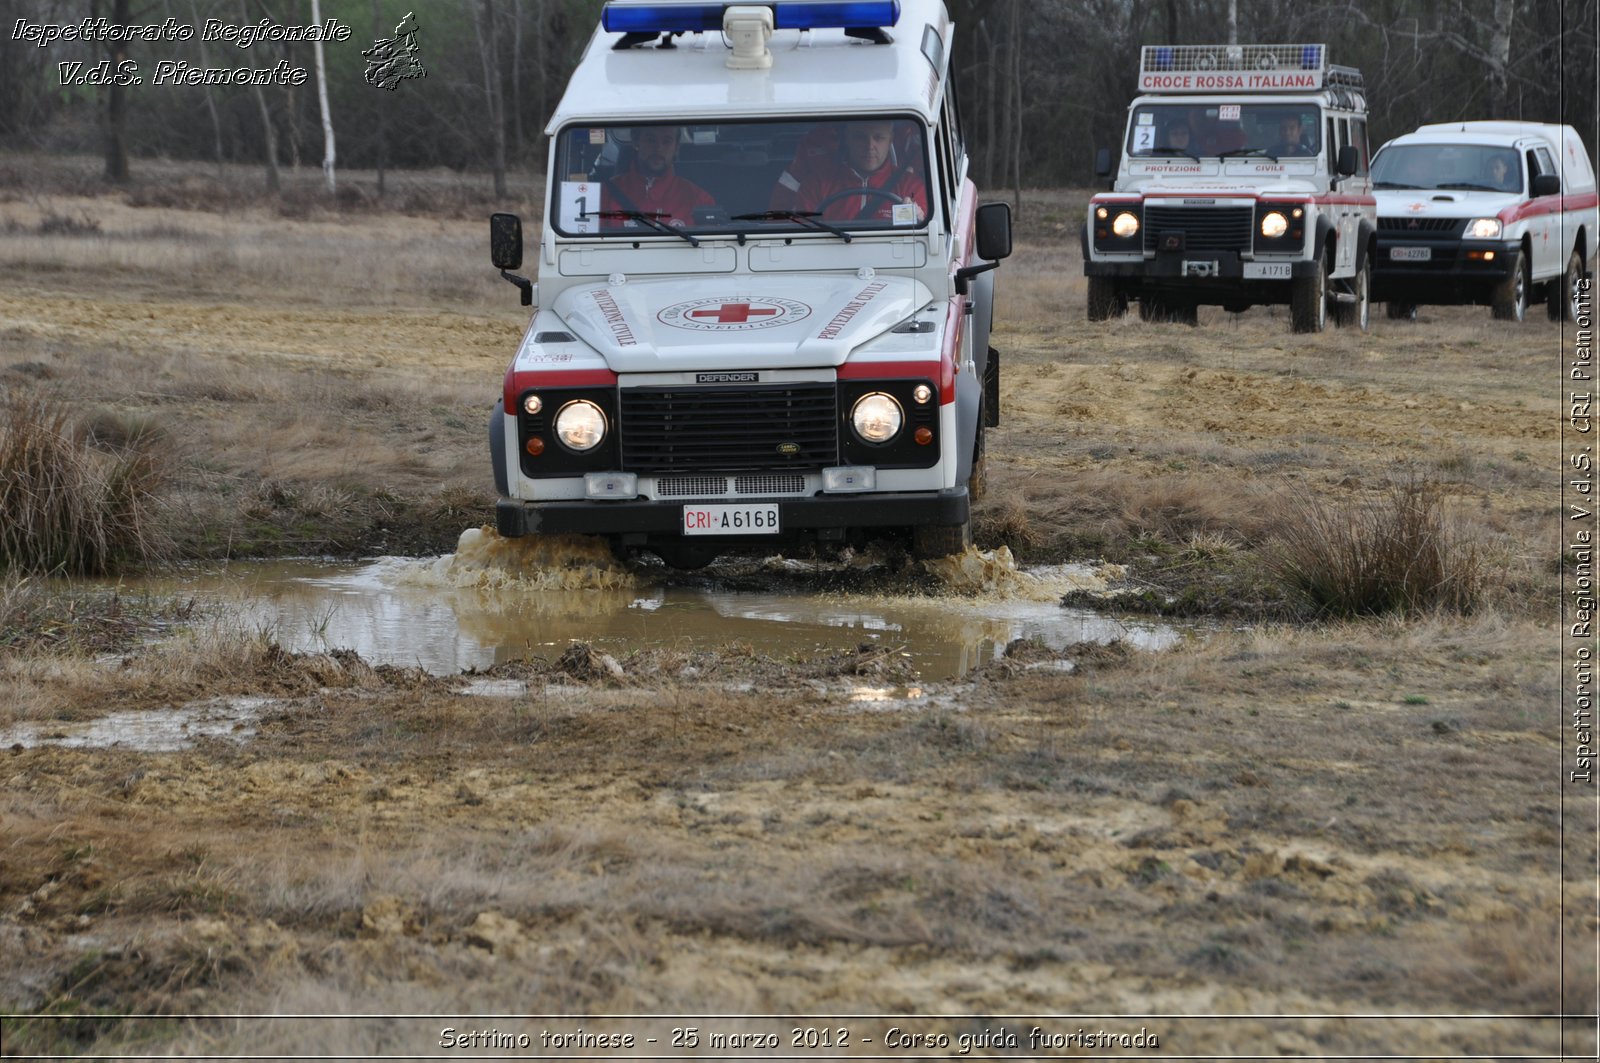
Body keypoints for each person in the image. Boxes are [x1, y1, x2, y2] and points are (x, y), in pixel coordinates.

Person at [793, 119, 927, 223]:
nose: (869, 146)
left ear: (890, 139)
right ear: (847, 138)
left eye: (878, 138)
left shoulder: (910, 187)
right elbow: (804, 235)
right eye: (860, 137)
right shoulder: (817, 185)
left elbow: (921, 238)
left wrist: (917, 218)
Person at [601, 125, 714, 228]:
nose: (658, 148)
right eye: (651, 140)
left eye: (667, 141)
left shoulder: (698, 199)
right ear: (636, 141)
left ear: (676, 148)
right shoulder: (606, 194)